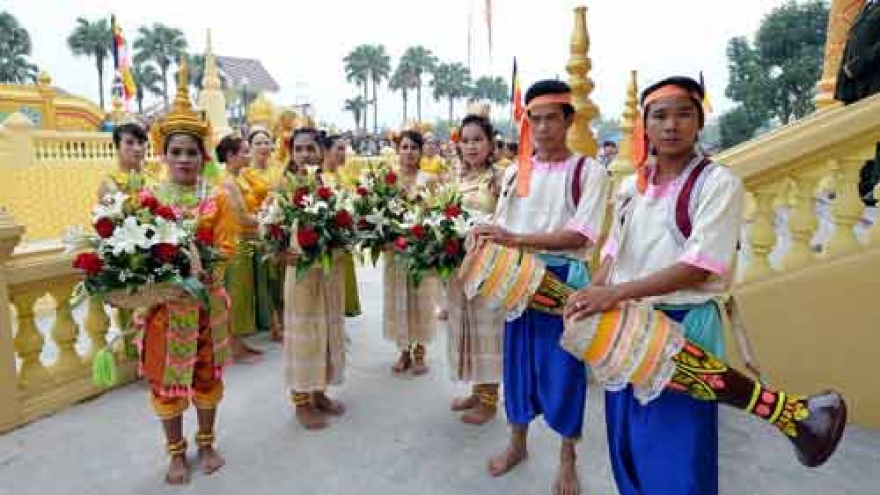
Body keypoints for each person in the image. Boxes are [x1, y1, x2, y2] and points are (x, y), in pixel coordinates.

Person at [565, 76, 847, 495]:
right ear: (645, 126)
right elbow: (612, 249)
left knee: (677, 449)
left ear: (699, 121)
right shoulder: (630, 187)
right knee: (627, 439)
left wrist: (614, 293)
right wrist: (595, 289)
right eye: (659, 115)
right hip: (623, 325)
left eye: (683, 113)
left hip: (684, 324)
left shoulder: (717, 183)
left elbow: (698, 267)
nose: (671, 124)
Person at [474, 80, 610, 495]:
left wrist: (516, 239)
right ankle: (517, 443)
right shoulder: (517, 171)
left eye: (553, 118)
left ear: (569, 120)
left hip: (562, 283)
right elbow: (501, 225)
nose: (545, 127)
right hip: (518, 281)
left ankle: (567, 459)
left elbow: (581, 236)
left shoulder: (589, 171)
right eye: (536, 119)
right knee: (517, 366)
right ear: (526, 122)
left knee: (564, 373)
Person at [139, 65, 236, 484]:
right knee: (166, 382)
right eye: (176, 151)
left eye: (191, 152)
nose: (183, 159)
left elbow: (228, 248)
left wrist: (203, 267)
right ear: (163, 154)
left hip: (204, 306)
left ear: (203, 156)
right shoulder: (146, 199)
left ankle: (208, 441)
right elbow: (135, 254)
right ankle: (175, 453)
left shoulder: (215, 200)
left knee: (206, 376)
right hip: (163, 309)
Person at [280, 128, 348, 429]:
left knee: (326, 328)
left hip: (329, 270)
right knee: (304, 333)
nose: (305, 154)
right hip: (300, 273)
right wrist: (282, 253)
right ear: (292, 153)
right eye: (299, 149)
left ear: (321, 151)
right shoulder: (284, 186)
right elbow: (268, 228)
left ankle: (319, 392)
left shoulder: (328, 185)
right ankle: (301, 401)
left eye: (311, 148)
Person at [446, 114, 506, 425]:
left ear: (490, 143)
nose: (471, 146)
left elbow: (508, 223)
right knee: (466, 329)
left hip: (488, 269)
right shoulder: (455, 179)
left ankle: (490, 400)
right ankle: (477, 389)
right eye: (465, 140)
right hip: (458, 269)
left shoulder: (499, 179)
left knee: (488, 332)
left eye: (477, 139)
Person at [384, 130, 438, 376]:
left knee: (421, 299)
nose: (408, 152)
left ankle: (420, 353)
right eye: (404, 147)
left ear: (420, 152)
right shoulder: (388, 180)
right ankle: (403, 351)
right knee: (399, 300)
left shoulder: (429, 179)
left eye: (413, 148)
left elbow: (437, 214)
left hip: (420, 250)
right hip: (394, 251)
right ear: (398, 150)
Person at [99, 123, 149, 359]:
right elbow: (116, 219)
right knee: (134, 307)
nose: (137, 148)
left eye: (140, 142)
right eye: (129, 143)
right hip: (129, 252)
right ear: (117, 147)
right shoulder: (109, 182)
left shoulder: (150, 179)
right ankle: (136, 358)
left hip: (154, 248)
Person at [216, 134, 265, 362]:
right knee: (235, 294)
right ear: (230, 156)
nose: (248, 155)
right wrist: (267, 219)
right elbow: (241, 216)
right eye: (244, 151)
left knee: (244, 295)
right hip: (236, 243)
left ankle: (239, 342)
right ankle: (233, 346)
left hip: (248, 241)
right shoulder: (227, 182)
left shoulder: (241, 177)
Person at [245, 129, 284, 341]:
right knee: (266, 279)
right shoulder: (245, 173)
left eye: (266, 142)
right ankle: (272, 324)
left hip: (278, 227)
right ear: (250, 147)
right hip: (256, 228)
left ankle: (283, 319)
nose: (262, 147)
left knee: (280, 277)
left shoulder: (278, 170)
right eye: (258, 143)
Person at [322, 134, 362, 318]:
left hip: (344, 237)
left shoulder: (342, 174)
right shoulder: (321, 177)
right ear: (326, 151)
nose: (343, 153)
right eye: (338, 148)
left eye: (344, 149)